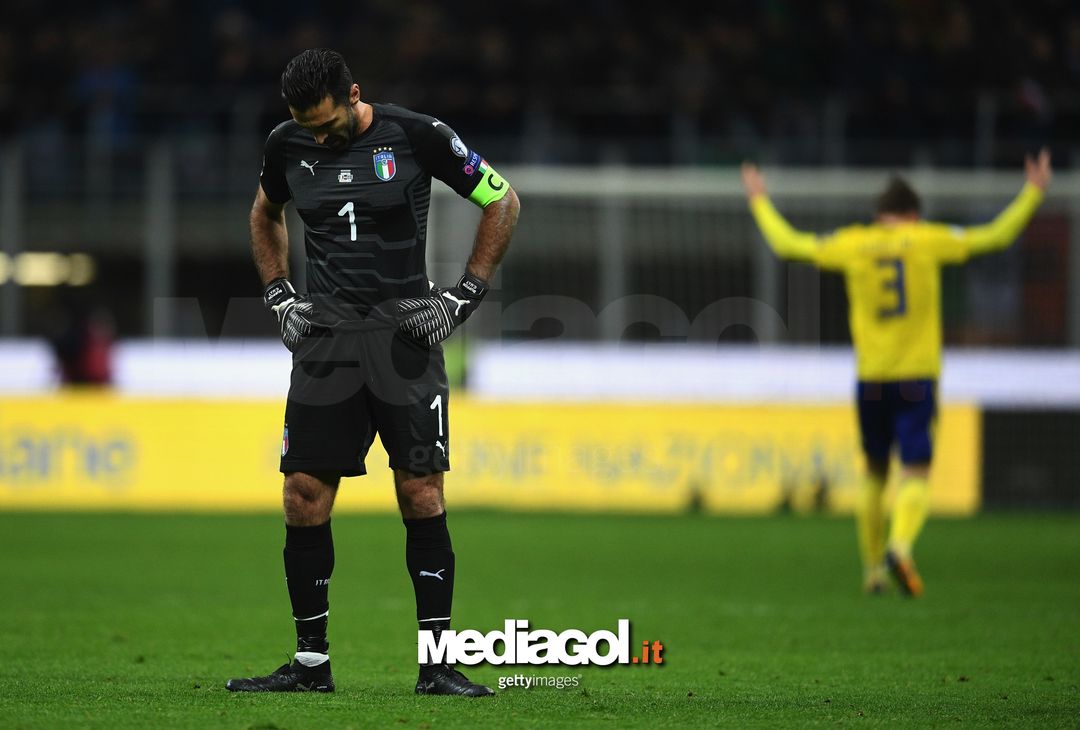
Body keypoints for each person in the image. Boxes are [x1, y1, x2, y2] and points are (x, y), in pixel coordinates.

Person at [226, 49, 520, 695]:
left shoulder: (418, 134)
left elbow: (502, 201)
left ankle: (438, 666)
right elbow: (263, 213)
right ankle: (309, 666)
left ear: (355, 94)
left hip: (404, 336)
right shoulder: (286, 144)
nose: (319, 139)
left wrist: (463, 296)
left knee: (420, 492)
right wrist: (278, 292)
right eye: (308, 128)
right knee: (303, 495)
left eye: (328, 126)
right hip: (326, 338)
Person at [741, 150, 1051, 597]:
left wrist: (759, 200)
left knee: (872, 473)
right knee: (917, 472)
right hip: (916, 378)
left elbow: (788, 244)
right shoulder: (928, 239)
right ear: (913, 214)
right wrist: (1032, 192)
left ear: (879, 215)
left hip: (870, 380)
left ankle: (872, 572)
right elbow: (996, 237)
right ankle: (900, 545)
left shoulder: (853, 243)